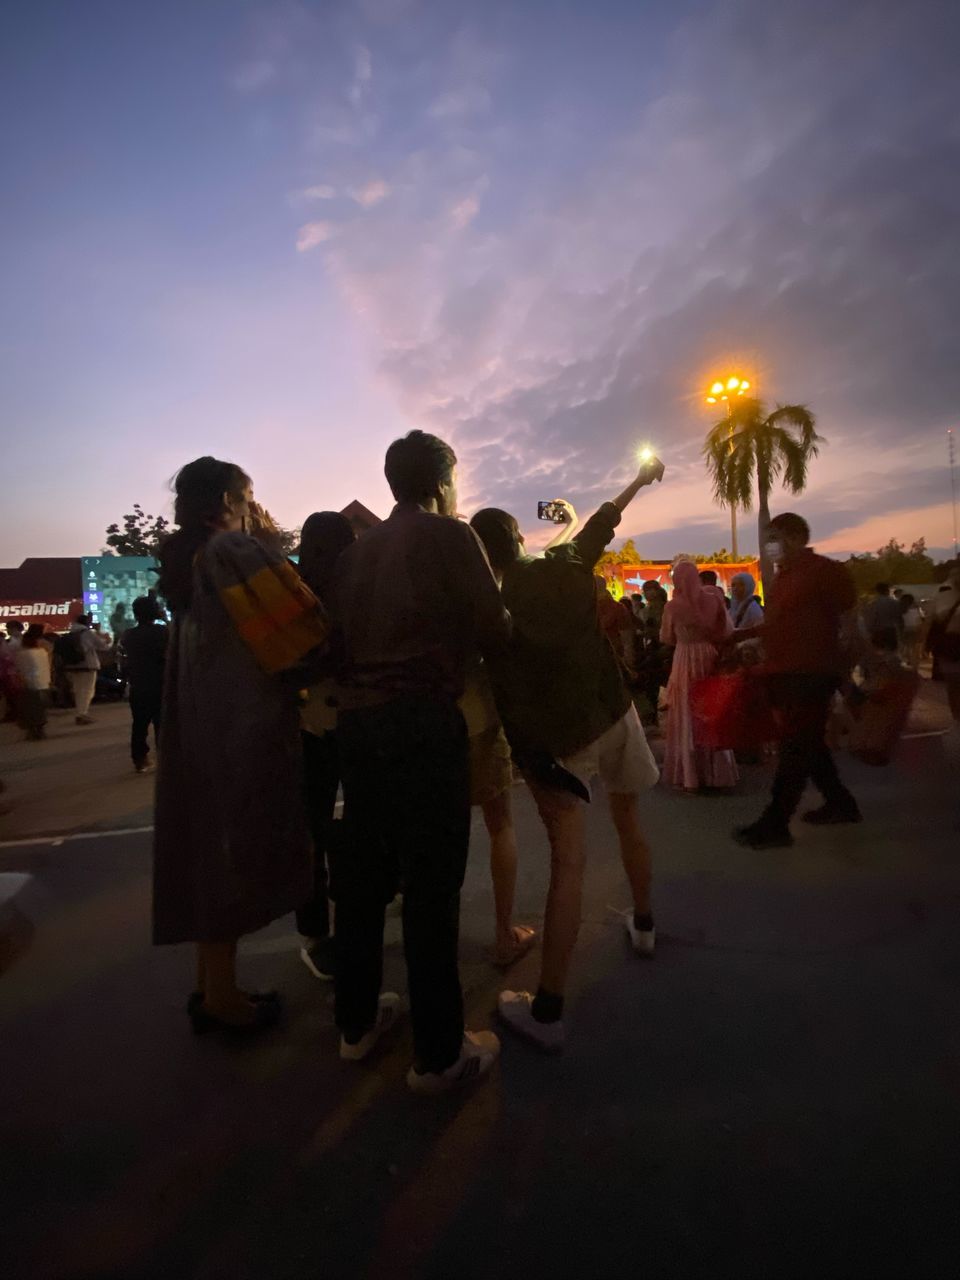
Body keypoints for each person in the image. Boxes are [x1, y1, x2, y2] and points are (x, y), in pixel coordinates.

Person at [333, 430, 510, 1093]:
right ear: (441, 483)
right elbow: (496, 626)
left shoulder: (356, 554)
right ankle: (438, 1055)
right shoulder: (449, 534)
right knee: (431, 892)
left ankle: (354, 1026)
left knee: (363, 885)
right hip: (421, 722)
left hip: (358, 727)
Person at [470, 457, 663, 1054]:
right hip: (615, 714)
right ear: (520, 539)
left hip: (561, 746)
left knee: (568, 869)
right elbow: (606, 518)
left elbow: (503, 698)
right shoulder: (567, 562)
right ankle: (646, 924)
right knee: (629, 820)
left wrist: (534, 761)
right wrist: (639, 476)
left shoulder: (493, 614)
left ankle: (549, 1008)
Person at [153, 456, 329, 1033]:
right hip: (240, 726)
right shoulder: (231, 551)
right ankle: (224, 1003)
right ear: (228, 502)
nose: (253, 507)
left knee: (209, 854)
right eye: (248, 496)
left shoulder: (191, 561)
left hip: (203, 730)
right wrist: (273, 539)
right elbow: (303, 626)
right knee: (232, 857)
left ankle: (214, 987)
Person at [733, 512, 861, 849]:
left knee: (795, 748)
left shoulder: (826, 571)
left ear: (793, 537)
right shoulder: (782, 578)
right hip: (784, 673)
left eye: (773, 537)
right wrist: (737, 638)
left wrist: (849, 668)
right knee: (809, 745)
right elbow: (776, 625)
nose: (769, 545)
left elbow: (850, 620)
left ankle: (776, 822)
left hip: (813, 673)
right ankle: (841, 804)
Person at [293, 510, 356, 983]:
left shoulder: (292, 591)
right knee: (362, 820)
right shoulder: (359, 585)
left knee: (311, 829)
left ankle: (315, 935)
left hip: (306, 722)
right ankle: (358, 912)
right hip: (357, 719)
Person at [660, 561, 738, 792]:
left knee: (687, 711)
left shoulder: (673, 607)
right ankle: (718, 772)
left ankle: (690, 774)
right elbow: (725, 631)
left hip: (685, 658)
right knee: (711, 712)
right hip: (709, 656)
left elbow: (666, 637)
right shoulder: (713, 600)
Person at [118, 596, 167, 774]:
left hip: (138, 685)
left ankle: (140, 759)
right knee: (163, 724)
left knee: (139, 724)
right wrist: (166, 619)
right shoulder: (162, 631)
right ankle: (166, 758)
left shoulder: (128, 635)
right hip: (161, 684)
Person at [60, 614, 110, 725]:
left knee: (78, 690)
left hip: (72, 666)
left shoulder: (72, 633)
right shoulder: (87, 633)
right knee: (87, 691)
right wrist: (102, 635)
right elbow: (104, 646)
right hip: (88, 665)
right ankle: (82, 714)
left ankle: (80, 712)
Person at [925, 567, 960, 721]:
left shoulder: (941, 593)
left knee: (953, 686)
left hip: (949, 646)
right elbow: (931, 620)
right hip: (950, 646)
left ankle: (957, 720)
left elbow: (930, 620)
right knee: (953, 686)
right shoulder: (942, 593)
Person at [14, 624, 52, 740]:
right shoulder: (43, 652)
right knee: (40, 709)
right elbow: (47, 666)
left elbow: (20, 670)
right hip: (43, 683)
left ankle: (32, 731)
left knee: (30, 709)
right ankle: (40, 730)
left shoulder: (21, 654)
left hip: (29, 685)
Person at [862, 582, 902, 650]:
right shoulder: (894, 603)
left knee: (879, 652)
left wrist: (869, 631)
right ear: (887, 591)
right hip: (891, 630)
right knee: (892, 652)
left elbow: (870, 619)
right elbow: (898, 618)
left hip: (878, 631)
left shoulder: (873, 603)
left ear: (877, 591)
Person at [898, 593, 923, 668]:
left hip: (903, 630)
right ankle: (913, 664)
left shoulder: (899, 609)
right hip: (914, 629)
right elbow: (920, 620)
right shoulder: (916, 608)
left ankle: (907, 661)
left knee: (905, 647)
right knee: (913, 648)